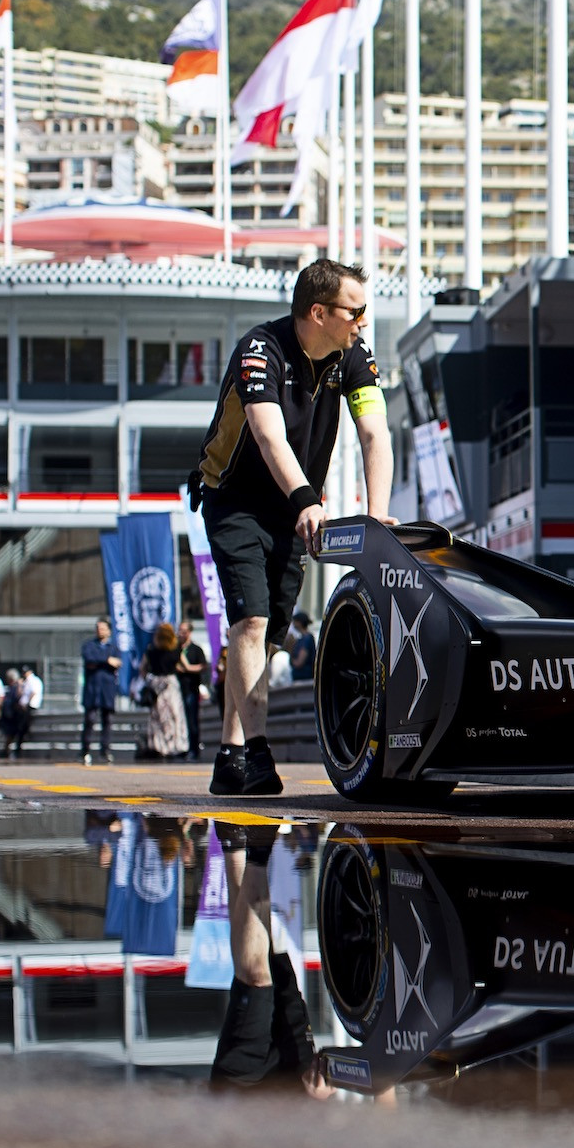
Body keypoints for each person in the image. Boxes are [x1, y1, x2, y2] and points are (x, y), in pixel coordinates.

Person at [190, 259, 395, 797]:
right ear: (318, 312)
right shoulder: (261, 350)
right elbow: (267, 435)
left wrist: (377, 516)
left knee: (269, 635)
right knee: (251, 624)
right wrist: (307, 498)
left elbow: (375, 434)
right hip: (234, 501)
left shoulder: (353, 357)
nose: (364, 321)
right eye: (356, 311)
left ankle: (229, 752)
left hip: (292, 509)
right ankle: (257, 756)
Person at [209, 820, 331, 1098]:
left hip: (240, 1097)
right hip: (296, 1087)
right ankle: (233, 843)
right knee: (268, 956)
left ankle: (258, 848)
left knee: (254, 978)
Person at [138, 623, 188, 760]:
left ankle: (159, 746)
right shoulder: (176, 649)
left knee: (158, 717)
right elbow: (185, 666)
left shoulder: (151, 650)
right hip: (171, 683)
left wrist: (148, 678)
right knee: (175, 715)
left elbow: (142, 668)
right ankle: (176, 745)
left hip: (155, 683)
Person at [81, 616, 123, 765]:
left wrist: (101, 661)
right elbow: (89, 659)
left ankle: (105, 751)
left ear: (109, 631)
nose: (100, 631)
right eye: (98, 628)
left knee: (108, 721)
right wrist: (106, 661)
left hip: (107, 690)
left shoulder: (114, 648)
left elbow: (118, 662)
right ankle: (85, 750)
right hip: (92, 689)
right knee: (90, 719)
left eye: (103, 628)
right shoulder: (89, 645)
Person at [176, 621, 209, 762]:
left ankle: (193, 750)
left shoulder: (196, 649)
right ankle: (180, 748)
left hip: (191, 688)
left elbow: (203, 666)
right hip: (176, 689)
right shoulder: (175, 648)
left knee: (192, 720)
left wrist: (188, 668)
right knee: (178, 720)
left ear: (190, 632)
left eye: (184, 631)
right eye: (180, 630)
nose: (181, 634)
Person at [13, 665, 42, 758]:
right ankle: (19, 746)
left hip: (30, 706)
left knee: (23, 727)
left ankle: (21, 745)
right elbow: (20, 694)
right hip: (24, 706)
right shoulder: (26, 682)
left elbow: (33, 693)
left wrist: (27, 703)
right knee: (19, 727)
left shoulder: (33, 681)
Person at [287, 612, 316, 682]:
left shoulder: (306, 639)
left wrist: (291, 660)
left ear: (299, 623)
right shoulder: (302, 638)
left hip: (303, 679)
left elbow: (299, 662)